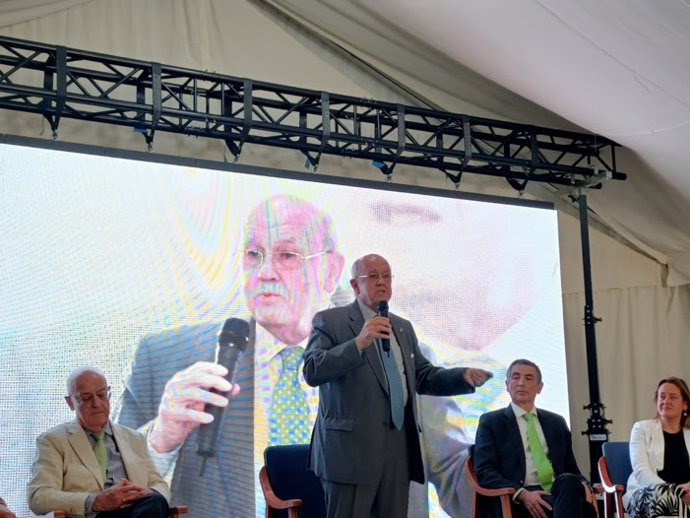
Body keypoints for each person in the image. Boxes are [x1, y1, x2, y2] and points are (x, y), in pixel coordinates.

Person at [115, 195, 347, 517]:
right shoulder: (165, 358)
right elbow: (110, 485)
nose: (266, 272)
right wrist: (160, 440)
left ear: (331, 269)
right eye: (254, 254)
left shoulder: (375, 357)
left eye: (287, 255)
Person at [302, 253, 493, 518]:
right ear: (355, 285)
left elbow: (423, 376)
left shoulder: (402, 328)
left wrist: (461, 377)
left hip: (397, 448)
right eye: (373, 276)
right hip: (350, 453)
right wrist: (359, 342)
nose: (382, 282)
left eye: (387, 276)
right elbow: (312, 370)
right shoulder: (330, 321)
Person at [27, 367, 169, 518]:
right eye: (86, 398)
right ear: (70, 402)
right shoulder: (53, 441)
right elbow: (38, 496)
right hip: (93, 515)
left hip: (137, 511)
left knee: (155, 500)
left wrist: (148, 492)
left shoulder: (134, 439)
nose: (96, 403)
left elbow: (159, 485)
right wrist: (95, 501)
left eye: (101, 395)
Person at [473, 358, 595, 518]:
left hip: (557, 492)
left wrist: (584, 484)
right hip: (515, 497)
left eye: (528, 378)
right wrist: (521, 493)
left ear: (539, 387)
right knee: (584, 511)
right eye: (515, 377)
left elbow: (570, 468)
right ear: (507, 385)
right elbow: (484, 471)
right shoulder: (491, 422)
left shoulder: (556, 422)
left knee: (570, 482)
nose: (521, 383)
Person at [624, 376, 690, 518]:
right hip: (648, 495)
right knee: (666, 499)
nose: (666, 401)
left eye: (672, 397)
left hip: (686, 497)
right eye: (662, 397)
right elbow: (641, 471)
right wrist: (675, 492)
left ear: (685, 404)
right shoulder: (641, 428)